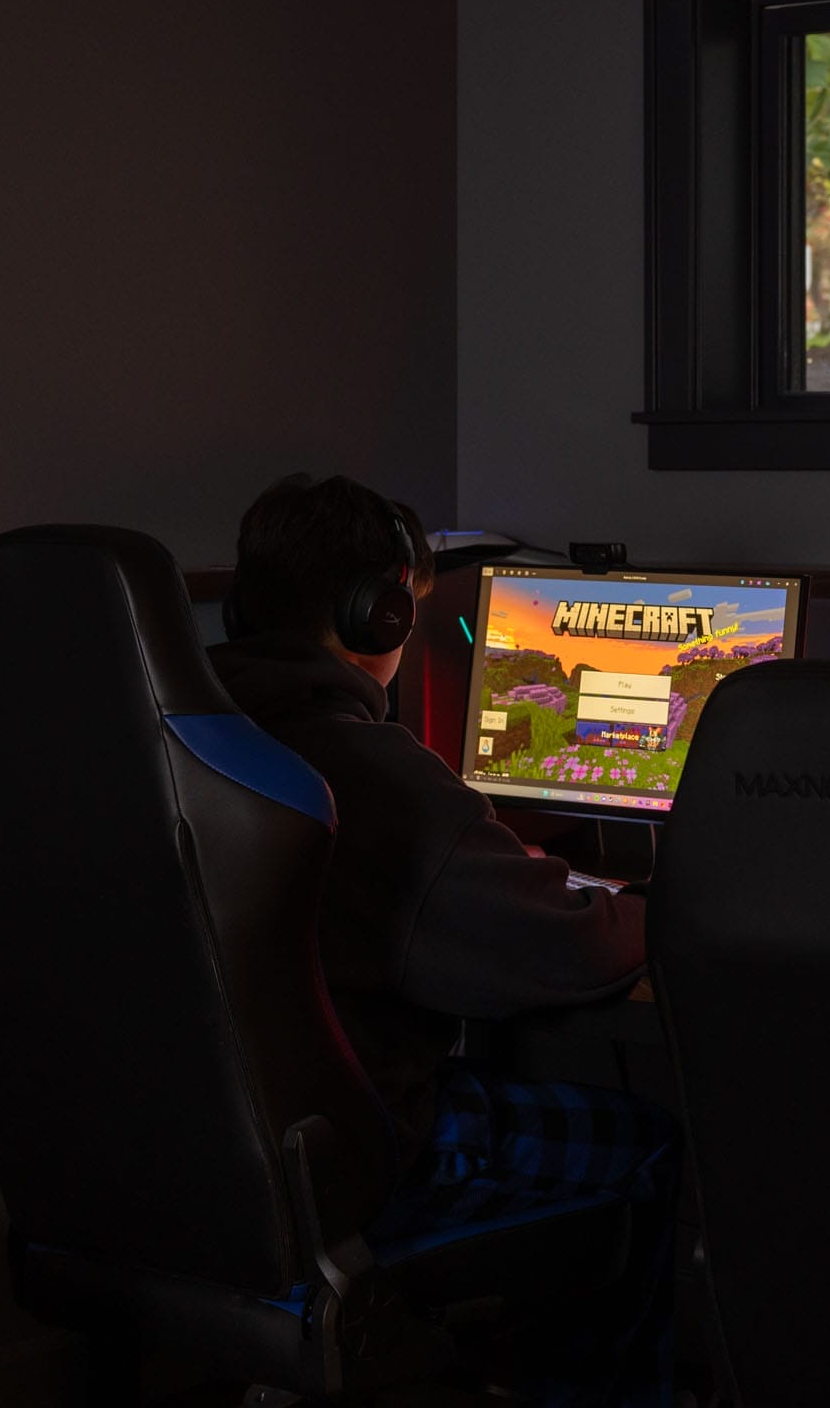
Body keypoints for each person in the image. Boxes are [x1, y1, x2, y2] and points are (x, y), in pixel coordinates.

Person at [209, 473, 674, 1408]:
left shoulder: (191, 735)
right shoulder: (367, 772)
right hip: (367, 1164)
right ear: (377, 616)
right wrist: (679, 908)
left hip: (207, 1164)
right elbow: (574, 951)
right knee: (661, 1150)